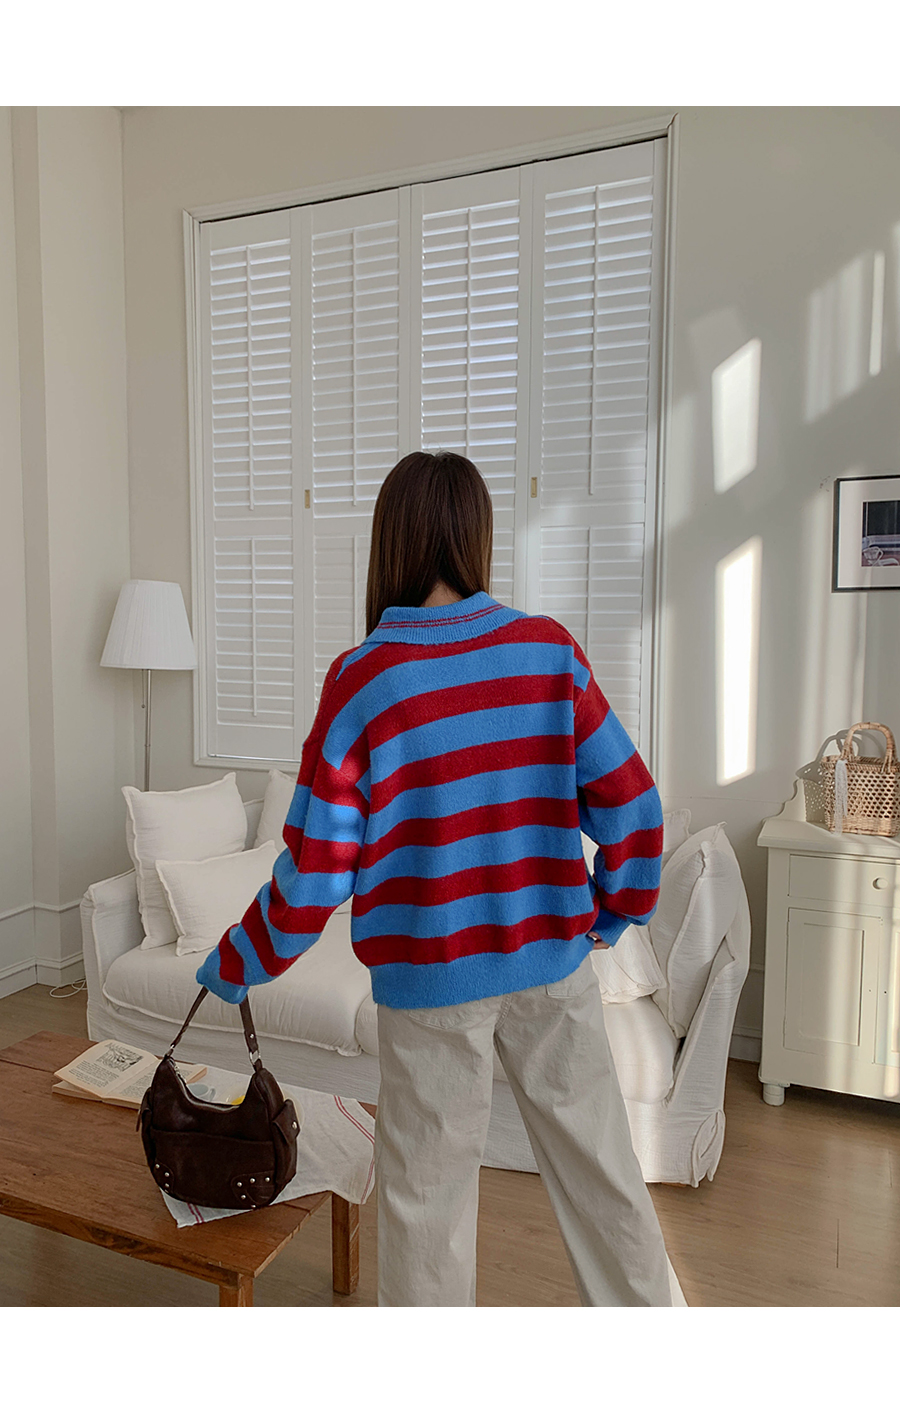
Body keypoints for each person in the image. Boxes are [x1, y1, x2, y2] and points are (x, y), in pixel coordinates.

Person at [196, 449, 673, 1307]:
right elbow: (634, 810)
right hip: (553, 967)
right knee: (606, 1179)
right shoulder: (548, 652)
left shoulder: (363, 682)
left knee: (428, 1211)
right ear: (475, 536)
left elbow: (315, 874)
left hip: (428, 991)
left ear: (391, 542)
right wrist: (608, 915)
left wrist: (241, 958)